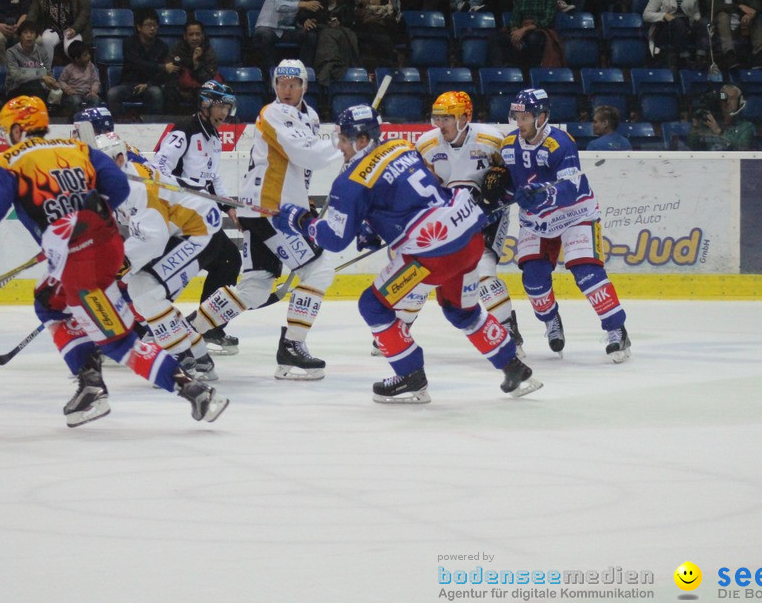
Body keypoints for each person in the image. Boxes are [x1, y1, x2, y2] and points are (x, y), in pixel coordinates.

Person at [0, 96, 228, 427]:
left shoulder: (9, 162)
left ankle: (193, 392)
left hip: (81, 260)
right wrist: (79, 224)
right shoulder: (79, 150)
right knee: (49, 301)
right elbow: (116, 189)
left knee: (119, 342)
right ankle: (90, 383)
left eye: (4, 130)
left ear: (17, 130)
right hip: (106, 245)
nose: (3, 137)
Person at [272, 104, 541, 403]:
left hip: (431, 255)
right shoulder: (402, 146)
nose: (339, 146)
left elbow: (334, 239)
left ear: (362, 140)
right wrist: (374, 228)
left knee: (373, 306)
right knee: (461, 311)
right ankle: (513, 367)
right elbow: (411, 192)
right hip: (469, 238)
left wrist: (300, 221)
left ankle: (411, 376)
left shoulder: (350, 182)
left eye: (344, 139)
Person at [183, 60, 343, 381]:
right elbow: (304, 153)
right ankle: (292, 349)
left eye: (293, 83)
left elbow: (303, 168)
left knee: (255, 288)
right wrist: (342, 143)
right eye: (281, 83)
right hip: (272, 208)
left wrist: (305, 198)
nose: (286, 89)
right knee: (318, 268)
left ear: (304, 87)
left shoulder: (309, 116)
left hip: (273, 207)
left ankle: (185, 335)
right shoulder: (273, 113)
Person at [487, 88, 632, 362]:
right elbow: (513, 187)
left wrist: (543, 192)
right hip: (536, 220)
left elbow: (571, 188)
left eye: (526, 116)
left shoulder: (560, 143)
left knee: (587, 273)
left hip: (575, 214)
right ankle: (551, 319)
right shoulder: (508, 146)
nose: (520, 122)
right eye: (516, 116)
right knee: (533, 279)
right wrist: (496, 195)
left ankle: (616, 330)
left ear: (542, 117)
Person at [396, 92, 525, 355]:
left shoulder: (493, 139)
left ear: (465, 117)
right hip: (448, 218)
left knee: (485, 271)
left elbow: (515, 179)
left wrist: (501, 187)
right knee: (422, 273)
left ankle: (508, 330)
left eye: (447, 118)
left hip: (488, 216)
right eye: (437, 118)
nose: (440, 124)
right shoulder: (426, 144)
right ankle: (399, 328)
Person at [93, 130, 223, 380]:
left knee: (144, 289)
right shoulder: (119, 179)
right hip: (183, 230)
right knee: (141, 289)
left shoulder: (134, 187)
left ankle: (182, 358)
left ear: (120, 160)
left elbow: (153, 237)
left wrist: (121, 262)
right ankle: (199, 357)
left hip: (200, 231)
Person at [150, 81, 243, 356]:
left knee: (228, 260)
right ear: (205, 103)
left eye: (227, 106)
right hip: (181, 214)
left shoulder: (213, 136)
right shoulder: (184, 130)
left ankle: (208, 326)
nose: (224, 111)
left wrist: (229, 207)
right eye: (220, 105)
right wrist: (183, 189)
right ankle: (154, 325)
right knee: (177, 271)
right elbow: (158, 166)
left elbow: (212, 178)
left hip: (203, 214)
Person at [252, 0, 324, 75]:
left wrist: (305, 21)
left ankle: (303, 74)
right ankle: (271, 76)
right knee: (266, 35)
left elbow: (297, 17)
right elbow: (279, 5)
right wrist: (303, 4)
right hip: (268, 27)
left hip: (286, 30)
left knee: (310, 36)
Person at [106, 7, 176, 115]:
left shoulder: (162, 46)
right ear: (139, 27)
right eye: (148, 25)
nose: (152, 28)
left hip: (150, 85)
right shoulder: (129, 43)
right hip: (129, 84)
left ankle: (152, 126)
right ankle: (121, 124)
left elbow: (163, 74)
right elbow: (136, 63)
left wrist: (148, 84)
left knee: (156, 93)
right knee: (112, 94)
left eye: (155, 25)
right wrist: (161, 67)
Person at [300, 0, 358, 87]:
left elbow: (350, 17)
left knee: (346, 34)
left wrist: (340, 22)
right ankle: (328, 67)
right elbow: (304, 14)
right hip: (320, 28)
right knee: (327, 35)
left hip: (339, 29)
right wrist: (305, 20)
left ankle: (335, 67)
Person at [643, 0, 706, 70]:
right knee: (678, 22)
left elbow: (695, 12)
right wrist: (664, 15)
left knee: (703, 23)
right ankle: (684, 57)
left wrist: (697, 20)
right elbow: (646, 15)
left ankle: (701, 56)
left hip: (687, 26)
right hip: (666, 28)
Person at [502, 0, 559, 71]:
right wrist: (515, 33)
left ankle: (531, 72)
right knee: (496, 38)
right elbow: (514, 19)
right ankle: (502, 74)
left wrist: (524, 29)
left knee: (533, 38)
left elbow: (546, 21)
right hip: (521, 30)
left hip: (540, 31)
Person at [353, 0, 402, 69]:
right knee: (372, 26)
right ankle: (390, 56)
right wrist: (371, 16)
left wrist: (373, 15)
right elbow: (356, 14)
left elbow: (393, 12)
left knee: (376, 26)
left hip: (386, 26)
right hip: (364, 28)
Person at [167, 20, 220, 115]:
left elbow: (208, 81)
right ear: (185, 36)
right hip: (179, 88)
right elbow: (170, 73)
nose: (194, 38)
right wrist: (179, 90)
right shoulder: (177, 49)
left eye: (197, 34)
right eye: (191, 34)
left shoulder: (208, 52)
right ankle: (171, 124)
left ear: (202, 36)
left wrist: (196, 65)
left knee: (205, 93)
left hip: (199, 88)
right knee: (169, 92)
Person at [687, 83, 756, 150]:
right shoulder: (708, 122)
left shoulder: (746, 127)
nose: (727, 102)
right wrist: (695, 127)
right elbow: (692, 147)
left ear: (740, 102)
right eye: (724, 98)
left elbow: (741, 149)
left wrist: (718, 132)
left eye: (732, 98)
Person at [5, 19, 60, 101]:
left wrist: (53, 83)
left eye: (32, 32)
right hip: (16, 91)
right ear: (20, 36)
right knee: (35, 86)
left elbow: (48, 74)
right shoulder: (11, 52)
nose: (29, 35)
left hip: (39, 90)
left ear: (36, 36)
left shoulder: (42, 52)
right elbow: (16, 76)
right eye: (25, 32)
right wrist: (41, 77)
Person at [57, 40, 100, 117]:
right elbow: (61, 81)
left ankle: (90, 119)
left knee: (95, 100)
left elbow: (95, 80)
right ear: (77, 59)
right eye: (85, 55)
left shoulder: (91, 66)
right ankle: (77, 119)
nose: (88, 56)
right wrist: (67, 89)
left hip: (88, 93)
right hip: (74, 94)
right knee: (75, 101)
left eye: (88, 54)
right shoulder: (69, 68)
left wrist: (94, 91)